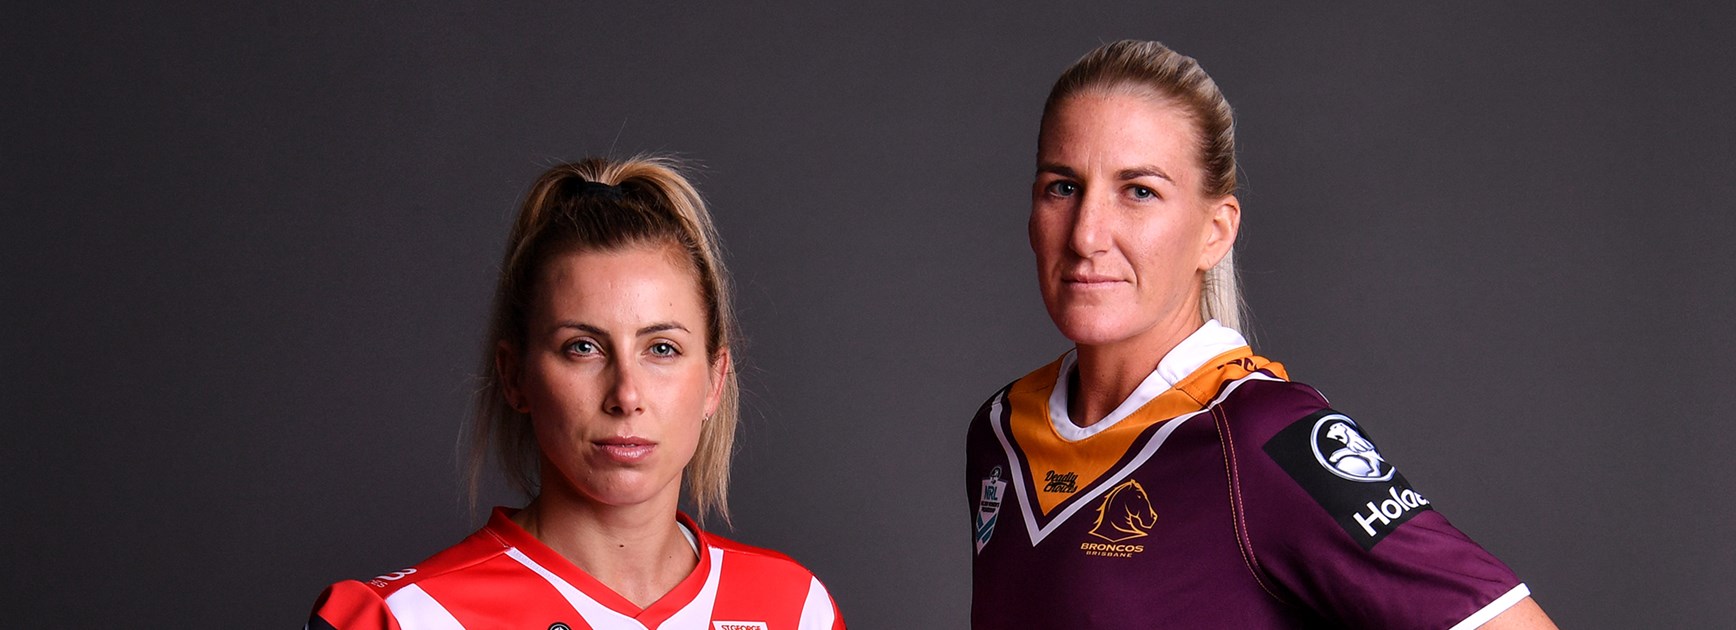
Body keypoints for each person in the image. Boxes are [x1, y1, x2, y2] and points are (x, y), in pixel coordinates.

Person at [965, 40, 1557, 628]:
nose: (1086, 235)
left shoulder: (1262, 437)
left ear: (1215, 232)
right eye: (1063, 187)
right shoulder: (1002, 430)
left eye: (1140, 191)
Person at [309, 157, 844, 629]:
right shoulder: (403, 619)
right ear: (514, 376)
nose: (626, 395)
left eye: (661, 348)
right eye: (583, 347)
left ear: (714, 380)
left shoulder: (798, 611)